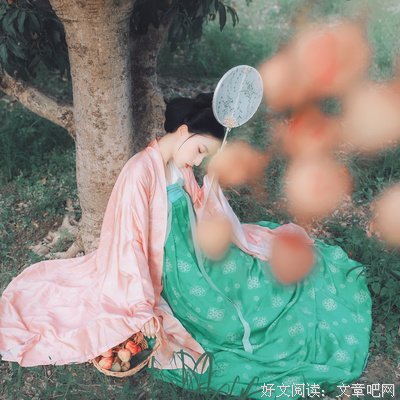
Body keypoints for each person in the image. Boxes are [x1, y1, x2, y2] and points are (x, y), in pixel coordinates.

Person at [0, 92, 372, 400]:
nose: (198, 159)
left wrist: (210, 188)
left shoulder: (181, 166)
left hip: (194, 254)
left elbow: (197, 207)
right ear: (183, 131)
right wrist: (140, 305)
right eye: (200, 150)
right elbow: (129, 243)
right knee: (223, 323)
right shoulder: (139, 173)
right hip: (169, 271)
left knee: (256, 281)